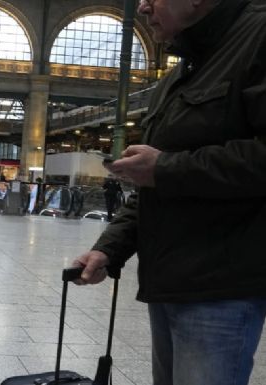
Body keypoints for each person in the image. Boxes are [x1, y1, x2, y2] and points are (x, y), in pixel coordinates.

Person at [72, 1, 266, 385]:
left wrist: (166, 168)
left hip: (220, 288)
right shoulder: (182, 72)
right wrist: (110, 248)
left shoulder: (258, 37)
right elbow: (152, 184)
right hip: (171, 282)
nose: (142, 7)